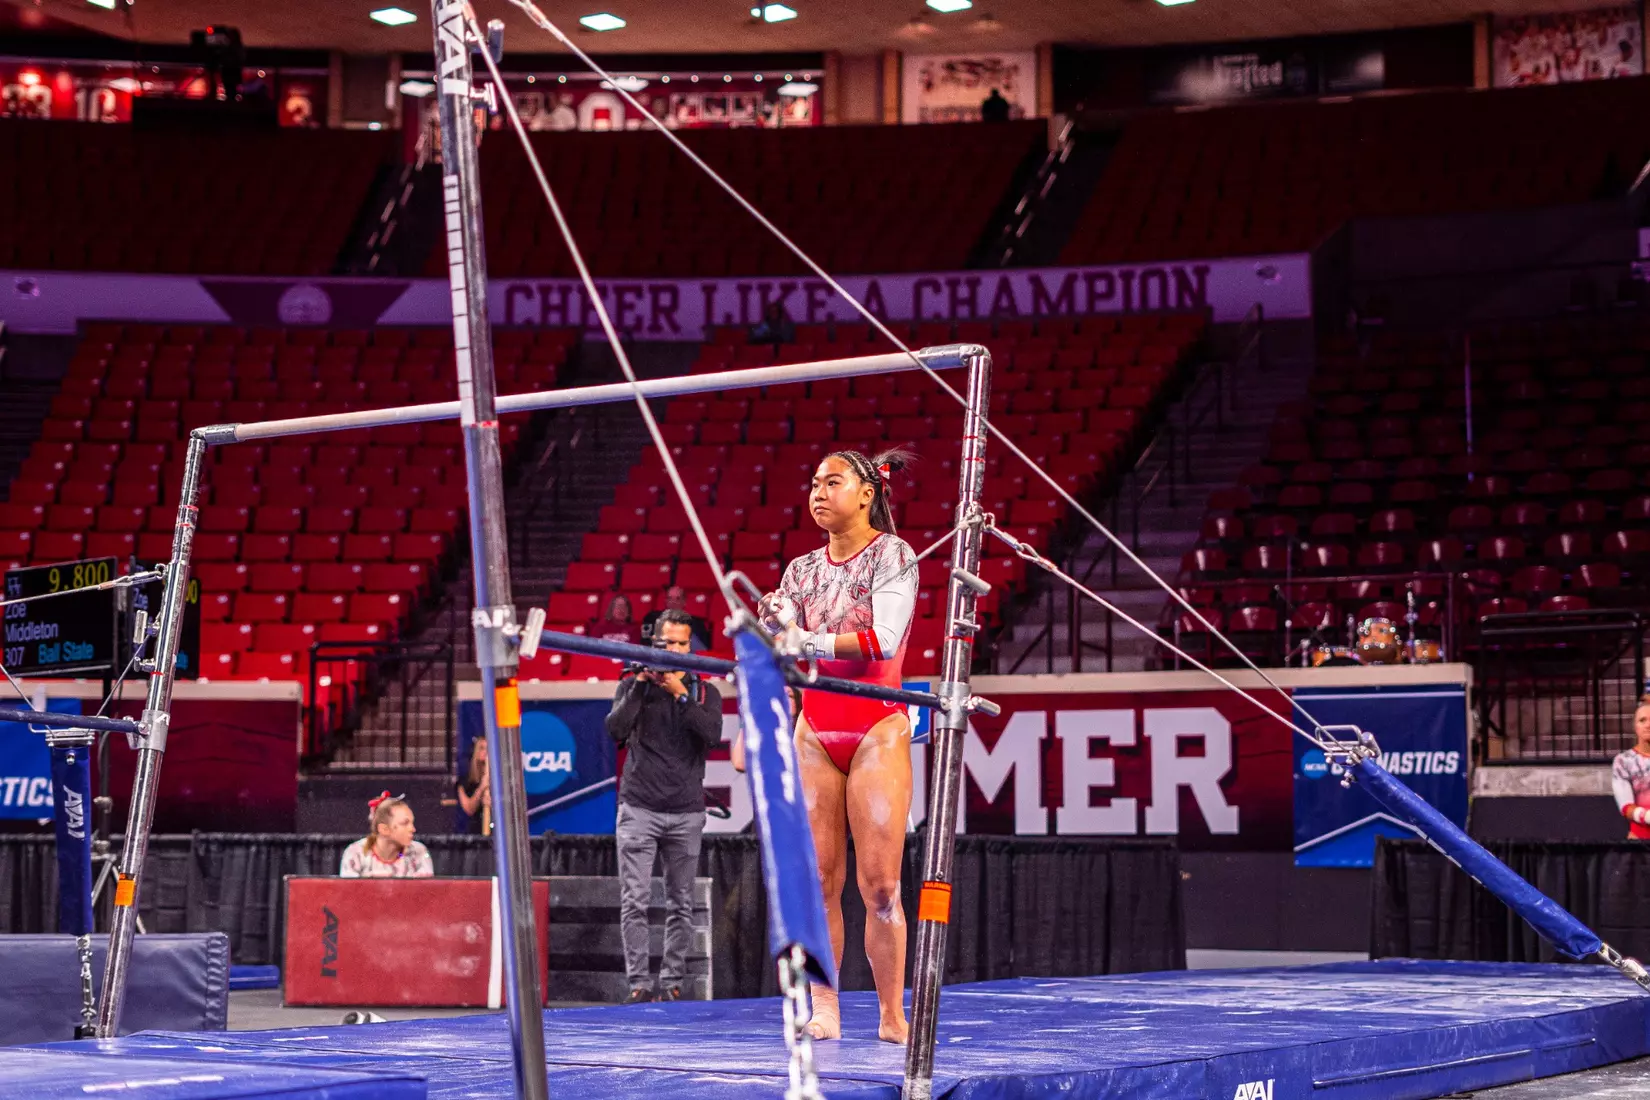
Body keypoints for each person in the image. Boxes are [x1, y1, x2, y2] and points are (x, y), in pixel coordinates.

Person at [760, 447, 917, 1044]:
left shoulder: (894, 555)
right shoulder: (800, 569)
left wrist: (807, 638)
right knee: (822, 880)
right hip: (816, 728)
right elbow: (784, 639)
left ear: (868, 492)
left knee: (878, 887)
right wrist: (773, 626)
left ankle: (890, 1010)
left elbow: (883, 638)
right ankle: (825, 1004)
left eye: (833, 482)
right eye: (813, 482)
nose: (818, 492)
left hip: (877, 725)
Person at [605, 608, 723, 1003]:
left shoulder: (706, 691)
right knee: (634, 901)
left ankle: (671, 983)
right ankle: (639, 983)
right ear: (653, 643)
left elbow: (710, 734)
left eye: (680, 643)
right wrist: (640, 684)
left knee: (681, 903)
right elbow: (615, 730)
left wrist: (680, 692)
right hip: (639, 806)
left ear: (692, 647)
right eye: (665, 643)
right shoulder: (631, 682)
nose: (672, 650)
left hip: (686, 811)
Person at [339, 792, 434, 878]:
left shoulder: (418, 851)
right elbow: (347, 893)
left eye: (412, 823)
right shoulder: (355, 853)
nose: (412, 829)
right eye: (405, 823)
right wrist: (368, 883)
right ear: (384, 829)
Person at [1612, 698, 1650, 839]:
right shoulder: (1623, 761)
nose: (1648, 725)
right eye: (1642, 720)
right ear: (1635, 726)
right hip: (1640, 842)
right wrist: (1646, 816)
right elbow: (1626, 806)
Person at [642, 586, 712, 651]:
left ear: (684, 602)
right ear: (666, 601)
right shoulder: (652, 618)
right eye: (670, 598)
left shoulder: (697, 624)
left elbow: (702, 652)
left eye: (678, 598)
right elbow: (645, 644)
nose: (673, 602)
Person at [456, 736, 491, 836]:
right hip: (475, 832)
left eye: (488, 749)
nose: (485, 752)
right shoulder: (465, 781)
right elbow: (469, 809)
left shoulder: (500, 779)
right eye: (482, 748)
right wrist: (481, 788)